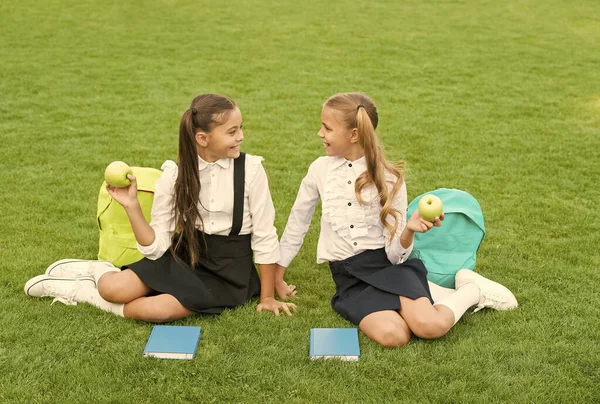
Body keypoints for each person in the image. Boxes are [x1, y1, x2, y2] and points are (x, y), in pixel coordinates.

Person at [25, 94, 297, 322]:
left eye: (240, 128)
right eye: (232, 131)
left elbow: (264, 235)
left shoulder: (251, 170)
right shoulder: (175, 175)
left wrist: (267, 296)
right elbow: (156, 246)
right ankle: (96, 271)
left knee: (157, 310)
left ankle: (83, 293)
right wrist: (131, 206)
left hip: (229, 272)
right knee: (112, 287)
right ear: (202, 138)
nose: (241, 136)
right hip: (186, 255)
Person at [276, 92, 517, 347]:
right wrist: (278, 278)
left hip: (387, 268)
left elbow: (394, 256)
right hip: (349, 279)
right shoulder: (319, 170)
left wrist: (408, 231)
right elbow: (297, 223)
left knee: (429, 326)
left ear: (354, 134)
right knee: (395, 336)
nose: (320, 133)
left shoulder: (389, 178)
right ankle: (432, 293)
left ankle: (472, 291)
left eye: (327, 128)